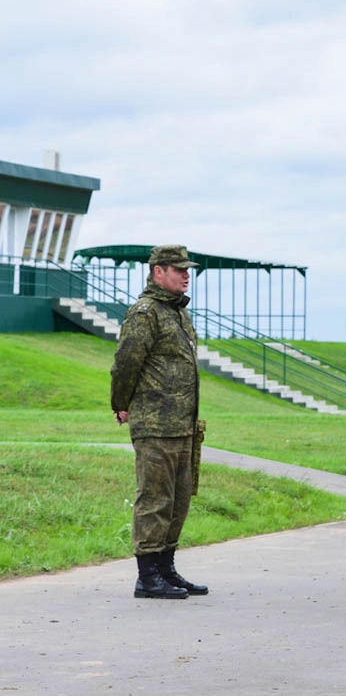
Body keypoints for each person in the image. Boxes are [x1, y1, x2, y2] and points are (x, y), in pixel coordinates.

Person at [110, 244, 207, 600]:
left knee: (178, 501)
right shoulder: (145, 313)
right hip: (155, 425)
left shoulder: (178, 313)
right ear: (158, 272)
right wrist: (120, 403)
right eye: (178, 269)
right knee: (154, 499)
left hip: (183, 425)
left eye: (187, 269)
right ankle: (147, 576)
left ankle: (166, 569)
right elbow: (126, 363)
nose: (186, 275)